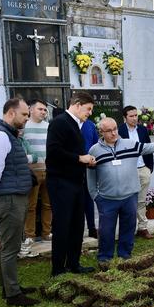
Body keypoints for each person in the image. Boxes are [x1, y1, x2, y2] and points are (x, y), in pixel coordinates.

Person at [87, 117, 154, 262]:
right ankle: (104, 259)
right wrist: (96, 196)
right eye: (109, 131)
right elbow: (90, 176)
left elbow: (148, 148)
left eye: (115, 129)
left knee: (128, 228)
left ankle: (125, 256)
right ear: (101, 132)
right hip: (107, 199)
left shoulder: (129, 144)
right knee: (106, 231)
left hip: (129, 197)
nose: (113, 133)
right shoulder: (94, 151)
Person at [0, 98, 39, 307]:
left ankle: (8, 287)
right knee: (11, 247)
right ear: (11, 113)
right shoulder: (0, 135)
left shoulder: (7, 133)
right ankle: (13, 295)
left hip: (11, 195)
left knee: (8, 244)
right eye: (24, 115)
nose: (26, 118)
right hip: (8, 198)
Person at [46, 93, 98, 276]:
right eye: (88, 109)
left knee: (77, 224)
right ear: (77, 105)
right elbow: (53, 152)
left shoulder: (76, 124)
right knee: (62, 226)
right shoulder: (60, 122)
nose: (90, 113)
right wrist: (79, 158)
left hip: (76, 181)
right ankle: (58, 268)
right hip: (61, 182)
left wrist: (86, 160)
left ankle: (74, 263)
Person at [118, 105, 154, 239]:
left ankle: (142, 228)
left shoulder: (143, 130)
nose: (134, 118)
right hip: (128, 171)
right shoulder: (120, 131)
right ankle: (128, 229)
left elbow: (149, 148)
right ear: (125, 118)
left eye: (136, 115)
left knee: (141, 201)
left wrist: (149, 168)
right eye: (131, 116)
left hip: (143, 169)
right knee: (127, 201)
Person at [21, 99, 52, 251]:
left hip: (49, 170)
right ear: (30, 110)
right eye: (40, 109)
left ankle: (47, 233)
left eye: (45, 110)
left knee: (48, 204)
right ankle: (29, 236)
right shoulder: (24, 126)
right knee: (31, 205)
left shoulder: (49, 126)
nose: (43, 112)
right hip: (31, 172)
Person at [81, 117, 98, 239]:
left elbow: (96, 145)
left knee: (88, 198)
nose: (89, 112)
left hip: (88, 166)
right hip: (73, 166)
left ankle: (92, 228)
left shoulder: (90, 125)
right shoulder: (69, 124)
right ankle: (78, 229)